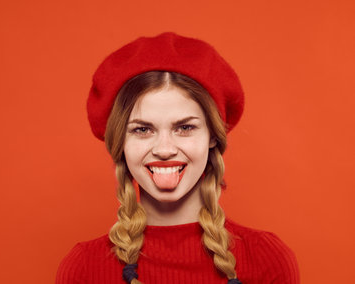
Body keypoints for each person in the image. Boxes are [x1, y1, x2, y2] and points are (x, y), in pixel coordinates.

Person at [56, 32, 299, 284]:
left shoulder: (266, 259)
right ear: (121, 143)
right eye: (142, 129)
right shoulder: (84, 269)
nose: (164, 149)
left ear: (212, 136)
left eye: (184, 128)